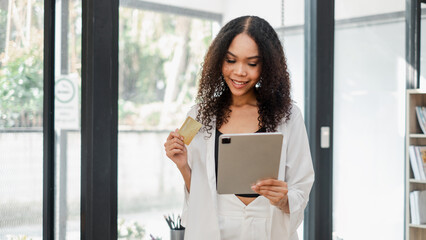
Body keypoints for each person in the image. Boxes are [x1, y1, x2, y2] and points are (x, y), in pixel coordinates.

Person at [164, 15, 314, 240]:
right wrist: (183, 166)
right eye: (231, 60)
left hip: (269, 228)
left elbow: (301, 185)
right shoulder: (198, 116)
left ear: (267, 65)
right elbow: (199, 193)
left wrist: (283, 199)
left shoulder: (289, 116)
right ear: (218, 60)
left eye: (252, 63)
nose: (240, 72)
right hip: (216, 229)